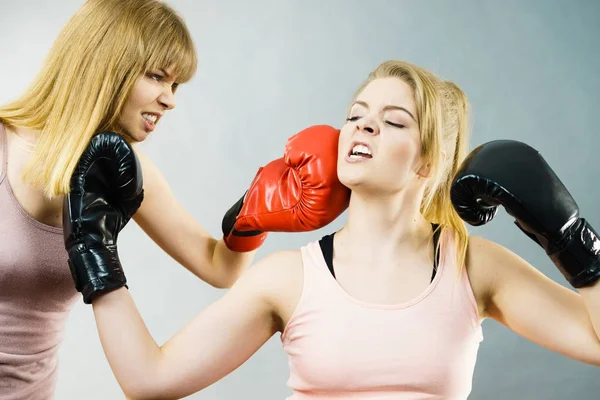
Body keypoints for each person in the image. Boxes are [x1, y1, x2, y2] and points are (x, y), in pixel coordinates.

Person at [65, 59, 600, 399]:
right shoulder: (289, 279)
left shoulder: (472, 266)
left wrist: (571, 234)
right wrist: (93, 246)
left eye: (394, 121)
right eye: (356, 114)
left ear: (427, 163)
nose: (364, 125)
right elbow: (148, 379)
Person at [0, 0, 349, 398]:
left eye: (175, 85)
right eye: (156, 77)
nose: (170, 100)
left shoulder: (123, 172)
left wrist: (252, 216)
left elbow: (220, 267)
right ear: (105, 64)